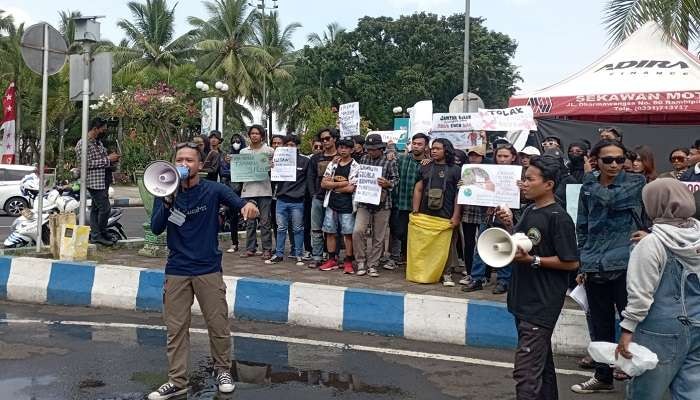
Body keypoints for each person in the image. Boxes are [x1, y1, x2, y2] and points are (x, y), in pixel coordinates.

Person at [148, 142, 259, 400]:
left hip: (208, 268)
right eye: (180, 160)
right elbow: (155, 229)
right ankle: (177, 381)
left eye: (189, 160)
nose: (184, 165)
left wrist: (248, 206)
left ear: (200, 165)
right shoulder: (163, 190)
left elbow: (238, 202)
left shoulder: (213, 190)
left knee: (217, 324)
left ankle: (222, 371)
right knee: (175, 329)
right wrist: (166, 201)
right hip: (176, 269)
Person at [495, 155, 579, 400]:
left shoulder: (558, 217)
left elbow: (571, 261)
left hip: (541, 303)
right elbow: (522, 244)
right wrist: (510, 225)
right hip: (523, 299)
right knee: (541, 366)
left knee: (526, 373)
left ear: (549, 184)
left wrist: (534, 261)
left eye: (530, 179)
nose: (524, 183)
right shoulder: (531, 209)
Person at [571, 140, 646, 394]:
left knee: (630, 321)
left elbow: (611, 200)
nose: (615, 164)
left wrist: (590, 180)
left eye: (619, 159)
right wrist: (583, 261)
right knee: (599, 324)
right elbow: (583, 223)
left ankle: (633, 375)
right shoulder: (588, 187)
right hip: (594, 264)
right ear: (596, 160)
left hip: (625, 263)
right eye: (608, 160)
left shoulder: (635, 182)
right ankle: (603, 376)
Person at [616, 178, 700, 400]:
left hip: (660, 330)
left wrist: (627, 331)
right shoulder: (698, 233)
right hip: (698, 323)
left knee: (645, 392)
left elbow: (640, 293)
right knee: (691, 392)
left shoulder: (651, 243)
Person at [463, 144, 520, 294]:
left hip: (507, 217)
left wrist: (521, 188)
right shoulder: (488, 171)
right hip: (488, 215)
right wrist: (465, 185)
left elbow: (526, 197)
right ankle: (477, 278)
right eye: (499, 156)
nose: (501, 159)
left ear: (513, 157)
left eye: (505, 156)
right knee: (481, 247)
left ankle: (503, 280)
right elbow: (479, 189)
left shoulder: (520, 174)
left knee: (504, 247)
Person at [412, 138, 462, 286]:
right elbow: (418, 188)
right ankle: (425, 272)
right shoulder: (425, 167)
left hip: (446, 215)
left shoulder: (456, 170)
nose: (434, 151)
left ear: (446, 150)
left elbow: (458, 195)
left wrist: (456, 215)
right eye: (432, 148)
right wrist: (415, 210)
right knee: (426, 245)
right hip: (425, 214)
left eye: (438, 148)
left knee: (445, 246)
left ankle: (446, 274)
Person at [353, 134, 398, 277]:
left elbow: (396, 179)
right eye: (369, 149)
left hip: (383, 204)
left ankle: (373, 264)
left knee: (379, 237)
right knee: (358, 231)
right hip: (364, 202)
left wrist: (388, 183)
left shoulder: (390, 161)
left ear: (381, 148)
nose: (371, 152)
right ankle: (361, 261)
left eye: (374, 149)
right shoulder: (364, 159)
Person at [75, 117, 120, 247]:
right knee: (105, 209)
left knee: (96, 210)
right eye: (103, 129)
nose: (104, 132)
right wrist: (108, 159)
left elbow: (103, 159)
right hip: (94, 182)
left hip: (103, 179)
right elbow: (85, 163)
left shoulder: (97, 142)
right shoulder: (83, 144)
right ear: (95, 129)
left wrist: (112, 160)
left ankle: (96, 235)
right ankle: (100, 233)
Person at [266, 135, 309, 266]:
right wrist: (271, 168)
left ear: (298, 146)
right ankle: (278, 254)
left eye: (292, 145)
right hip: (281, 199)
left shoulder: (305, 161)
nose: (290, 147)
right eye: (287, 145)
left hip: (297, 201)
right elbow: (273, 179)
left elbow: (308, 181)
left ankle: (298, 254)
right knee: (281, 228)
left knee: (297, 229)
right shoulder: (279, 159)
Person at [319, 138, 359, 273]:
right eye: (341, 147)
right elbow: (324, 184)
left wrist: (333, 186)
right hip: (331, 202)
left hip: (347, 204)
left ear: (352, 150)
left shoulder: (356, 167)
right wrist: (341, 184)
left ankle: (348, 260)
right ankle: (332, 259)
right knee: (329, 232)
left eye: (346, 148)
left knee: (348, 234)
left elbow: (351, 188)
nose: (343, 150)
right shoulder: (333, 164)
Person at [390, 133, 430, 264]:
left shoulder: (428, 164)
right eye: (414, 143)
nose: (416, 146)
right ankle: (401, 255)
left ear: (426, 147)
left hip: (419, 206)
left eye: (420, 144)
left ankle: (409, 257)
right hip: (401, 203)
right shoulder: (402, 159)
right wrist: (390, 154)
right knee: (399, 231)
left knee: (414, 234)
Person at [240, 124, 275, 259]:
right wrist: (234, 163)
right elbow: (239, 170)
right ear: (249, 136)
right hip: (248, 190)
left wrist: (272, 166)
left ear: (262, 136)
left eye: (257, 133)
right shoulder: (243, 152)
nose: (254, 135)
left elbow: (276, 169)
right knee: (249, 221)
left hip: (265, 189)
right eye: (252, 133)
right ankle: (250, 248)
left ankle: (267, 249)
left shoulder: (269, 151)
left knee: (265, 221)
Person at [307, 128, 339, 267]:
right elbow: (310, 178)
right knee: (316, 229)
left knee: (333, 229)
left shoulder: (342, 156)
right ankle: (317, 256)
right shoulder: (315, 158)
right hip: (318, 198)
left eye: (327, 138)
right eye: (322, 139)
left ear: (334, 139)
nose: (324, 142)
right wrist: (314, 194)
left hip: (336, 198)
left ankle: (333, 256)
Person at [460, 145, 488, 285]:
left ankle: (485, 275)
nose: (473, 158)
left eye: (476, 155)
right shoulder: (464, 170)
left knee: (484, 243)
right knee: (469, 243)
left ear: (482, 157)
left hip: (485, 211)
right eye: (471, 155)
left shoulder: (490, 171)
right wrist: (460, 185)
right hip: (468, 210)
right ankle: (470, 272)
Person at [223, 134, 247, 253]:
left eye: (238, 141)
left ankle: (253, 245)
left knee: (250, 218)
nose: (236, 143)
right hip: (232, 191)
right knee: (232, 218)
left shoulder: (247, 155)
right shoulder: (227, 157)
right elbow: (223, 172)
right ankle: (234, 243)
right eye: (233, 141)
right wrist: (231, 168)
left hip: (246, 190)